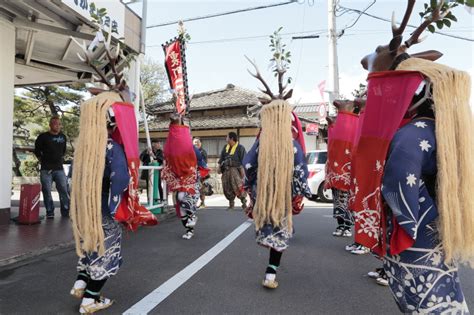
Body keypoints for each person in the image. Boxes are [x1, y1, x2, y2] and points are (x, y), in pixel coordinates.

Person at [380, 58, 473, 313]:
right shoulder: (443, 130)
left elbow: (397, 182)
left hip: (416, 229)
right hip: (437, 223)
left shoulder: (413, 133)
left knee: (420, 299)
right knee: (443, 291)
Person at [244, 101, 311, 289]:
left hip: (265, 193)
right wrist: (300, 191)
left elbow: (248, 164)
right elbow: (300, 171)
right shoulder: (293, 145)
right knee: (280, 231)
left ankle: (270, 272)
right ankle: (270, 274)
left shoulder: (261, 143)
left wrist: (252, 186)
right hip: (283, 195)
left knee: (269, 226)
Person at [162, 115, 208, 240]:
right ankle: (189, 229)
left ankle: (192, 217)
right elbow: (166, 154)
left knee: (184, 199)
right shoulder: (172, 144)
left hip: (190, 176)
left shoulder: (191, 147)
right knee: (180, 203)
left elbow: (200, 160)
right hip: (178, 176)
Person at [34, 116, 70, 218]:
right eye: (55, 124)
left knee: (63, 190)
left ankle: (66, 211)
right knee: (46, 191)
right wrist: (43, 161)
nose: (58, 126)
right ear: (50, 125)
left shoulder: (63, 137)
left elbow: (63, 151)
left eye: (59, 124)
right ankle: (50, 212)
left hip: (59, 169)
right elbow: (37, 151)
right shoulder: (43, 137)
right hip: (46, 169)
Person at [218, 132, 247, 210]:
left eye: (227, 137)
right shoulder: (225, 147)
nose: (226, 138)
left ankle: (244, 203)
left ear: (231, 138)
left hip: (236, 171)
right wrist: (219, 167)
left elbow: (244, 161)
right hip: (226, 171)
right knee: (227, 187)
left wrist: (243, 172)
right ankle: (231, 204)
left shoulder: (240, 148)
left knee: (238, 186)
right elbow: (221, 159)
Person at [193, 137, 208, 208]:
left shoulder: (203, 151)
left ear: (200, 143)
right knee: (194, 188)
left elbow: (204, 162)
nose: (196, 143)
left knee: (202, 188)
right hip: (193, 171)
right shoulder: (191, 150)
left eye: (198, 142)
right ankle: (193, 203)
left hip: (201, 171)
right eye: (195, 142)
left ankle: (202, 202)